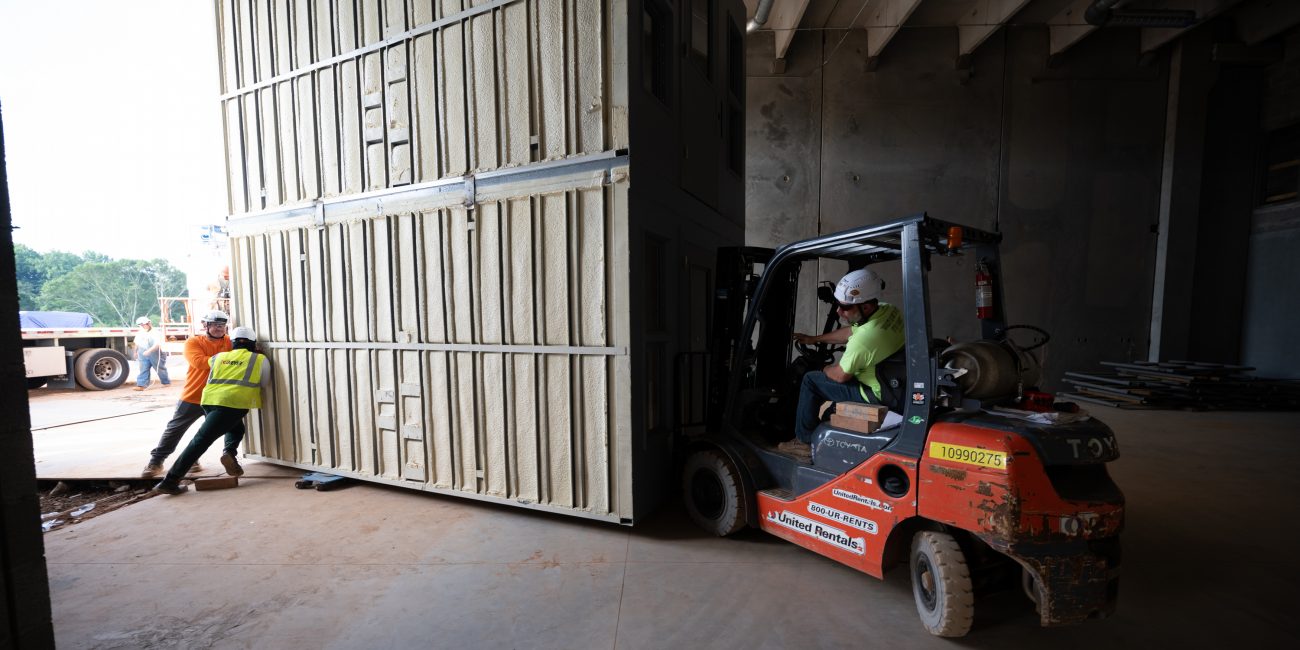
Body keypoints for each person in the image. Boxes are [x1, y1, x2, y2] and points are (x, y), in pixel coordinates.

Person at [781, 268, 905, 459]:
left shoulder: (865, 339)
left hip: (873, 393)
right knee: (828, 408)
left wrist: (821, 368)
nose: (839, 311)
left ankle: (803, 441)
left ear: (866, 307)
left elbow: (840, 375)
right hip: (892, 385)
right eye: (838, 305)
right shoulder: (888, 311)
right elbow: (850, 332)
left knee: (810, 380)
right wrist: (815, 339)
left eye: (845, 307)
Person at [154, 326, 270, 494]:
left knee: (237, 428)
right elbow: (264, 382)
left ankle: (229, 452)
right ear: (253, 343)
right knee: (200, 441)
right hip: (234, 404)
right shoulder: (259, 359)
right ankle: (170, 480)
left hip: (209, 401)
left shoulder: (217, 357)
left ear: (232, 343)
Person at [140, 310, 234, 478]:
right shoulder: (194, 342)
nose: (219, 328)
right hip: (193, 396)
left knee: (210, 433)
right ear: (206, 325)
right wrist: (229, 360)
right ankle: (156, 461)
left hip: (217, 398)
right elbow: (200, 362)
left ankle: (192, 460)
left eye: (222, 325)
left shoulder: (229, 342)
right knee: (175, 430)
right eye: (215, 325)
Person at [132, 316, 170, 390]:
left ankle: (165, 381)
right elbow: (136, 343)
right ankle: (142, 385)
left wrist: (149, 351)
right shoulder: (140, 333)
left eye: (144, 324)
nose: (143, 326)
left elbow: (157, 344)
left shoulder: (156, 333)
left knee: (159, 368)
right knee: (143, 368)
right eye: (141, 325)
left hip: (155, 353)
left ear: (148, 323)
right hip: (142, 352)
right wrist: (135, 352)